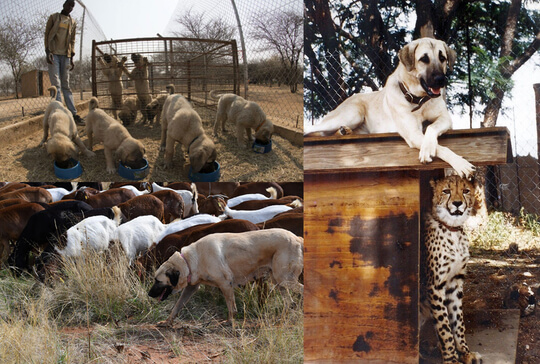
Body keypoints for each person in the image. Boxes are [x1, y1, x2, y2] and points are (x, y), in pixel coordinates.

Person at [44, 0, 84, 125]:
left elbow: (72, 40)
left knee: (66, 85)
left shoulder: (73, 22)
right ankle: (60, 114)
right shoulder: (54, 17)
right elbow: (47, 35)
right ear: (64, 4)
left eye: (73, 6)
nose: (70, 7)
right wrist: (47, 51)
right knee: (56, 84)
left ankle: (73, 114)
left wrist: (71, 57)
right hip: (54, 54)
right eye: (69, 4)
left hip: (66, 56)